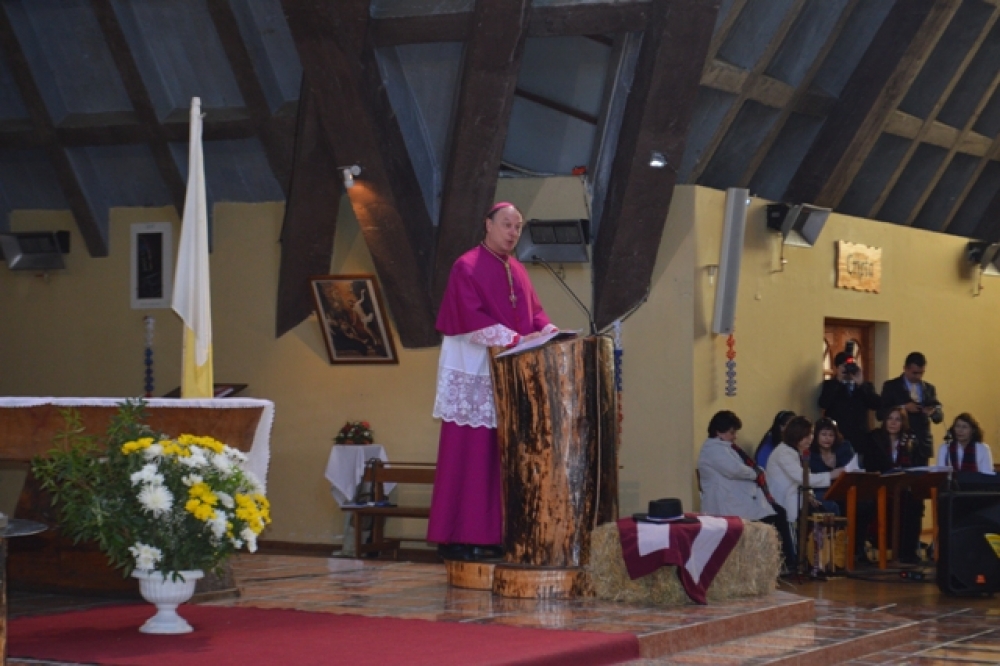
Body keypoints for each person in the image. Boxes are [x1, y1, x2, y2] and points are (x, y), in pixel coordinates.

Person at [428, 202, 557, 561]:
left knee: (500, 456)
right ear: (488, 225)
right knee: (469, 453)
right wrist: (517, 340)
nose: (513, 232)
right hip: (474, 370)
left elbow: (533, 310)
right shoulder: (466, 265)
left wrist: (548, 329)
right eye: (507, 225)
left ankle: (495, 533)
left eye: (518, 226)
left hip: (508, 372)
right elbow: (469, 317)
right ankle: (459, 536)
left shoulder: (517, 268)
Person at [697, 410, 797, 573]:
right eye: (731, 432)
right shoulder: (712, 449)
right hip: (727, 504)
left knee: (778, 513)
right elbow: (735, 470)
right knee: (777, 516)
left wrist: (756, 472)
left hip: (738, 500)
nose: (735, 436)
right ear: (718, 432)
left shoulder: (726, 447)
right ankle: (785, 564)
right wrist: (756, 473)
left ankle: (784, 563)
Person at [865, 407, 923, 563]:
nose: (893, 422)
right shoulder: (874, 438)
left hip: (903, 486)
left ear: (903, 422)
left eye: (897, 419)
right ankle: (877, 545)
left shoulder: (910, 440)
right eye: (890, 418)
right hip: (880, 485)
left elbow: (917, 465)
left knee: (914, 503)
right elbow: (869, 464)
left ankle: (907, 551)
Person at [767, 417, 844, 535]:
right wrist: (832, 475)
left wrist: (810, 495)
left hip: (798, 498)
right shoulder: (784, 452)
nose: (811, 439)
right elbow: (803, 478)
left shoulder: (795, 451)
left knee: (830, 509)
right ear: (796, 435)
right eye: (807, 436)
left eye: (812, 434)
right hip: (784, 501)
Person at [879, 352, 942, 466]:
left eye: (921, 373)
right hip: (899, 441)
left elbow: (939, 416)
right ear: (905, 369)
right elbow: (880, 413)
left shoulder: (929, 388)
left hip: (922, 443)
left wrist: (933, 412)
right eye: (914, 373)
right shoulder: (891, 386)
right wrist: (903, 407)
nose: (918, 377)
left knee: (920, 479)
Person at [818, 351, 880, 450]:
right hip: (838, 436)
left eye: (852, 366)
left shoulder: (865, 386)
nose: (848, 369)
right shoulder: (830, 385)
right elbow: (823, 403)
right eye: (845, 366)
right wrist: (838, 381)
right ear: (836, 368)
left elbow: (876, 404)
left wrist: (861, 384)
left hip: (859, 438)